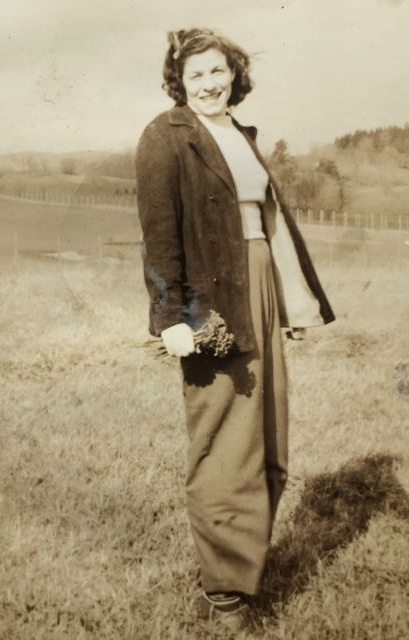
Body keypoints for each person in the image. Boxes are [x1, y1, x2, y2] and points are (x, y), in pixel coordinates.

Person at [135, 28, 335, 633]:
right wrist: (170, 317)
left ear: (234, 74)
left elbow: (268, 226)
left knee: (268, 433)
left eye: (217, 71)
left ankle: (245, 573)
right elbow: (159, 234)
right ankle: (224, 595)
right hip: (211, 299)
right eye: (195, 75)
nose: (209, 84)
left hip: (261, 287)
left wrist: (292, 304)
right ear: (179, 81)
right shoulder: (166, 138)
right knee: (224, 439)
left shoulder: (240, 135)